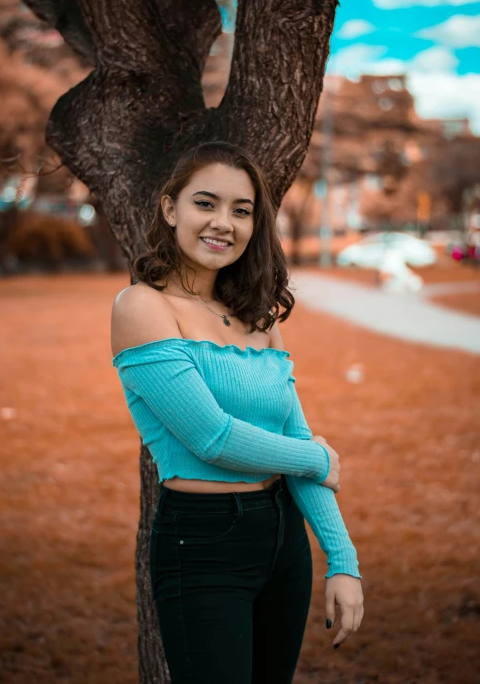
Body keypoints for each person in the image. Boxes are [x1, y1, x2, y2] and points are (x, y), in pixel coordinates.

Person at [111, 141, 364, 684]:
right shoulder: (141, 307)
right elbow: (212, 438)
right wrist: (314, 458)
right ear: (170, 208)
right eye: (206, 203)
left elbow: (295, 435)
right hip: (203, 545)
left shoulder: (259, 319)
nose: (223, 223)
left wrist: (342, 561)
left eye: (241, 210)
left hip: (283, 541)